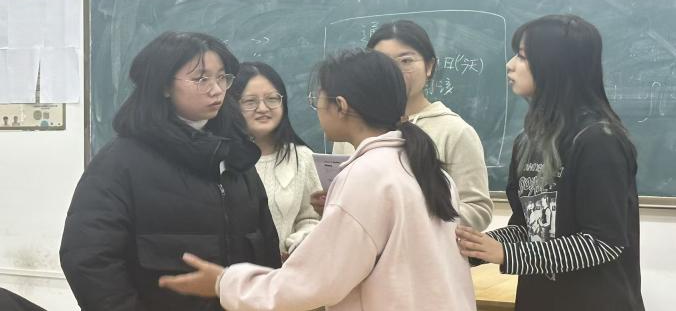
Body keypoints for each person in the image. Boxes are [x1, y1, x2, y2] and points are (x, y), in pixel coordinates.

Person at [158, 49, 477, 311]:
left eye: (318, 100)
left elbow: (313, 283)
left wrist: (224, 282)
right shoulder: (425, 167)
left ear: (341, 106)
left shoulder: (367, 175)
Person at [60, 32, 281, 311]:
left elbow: (266, 247)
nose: (216, 90)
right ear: (164, 85)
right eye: (201, 79)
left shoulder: (235, 154)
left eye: (222, 78)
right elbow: (88, 259)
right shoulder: (120, 163)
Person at [456, 15, 644, 311]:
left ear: (556, 65)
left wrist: (506, 254)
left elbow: (604, 242)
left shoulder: (598, 140)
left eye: (522, 56)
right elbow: (527, 229)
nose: (509, 65)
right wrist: (476, 248)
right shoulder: (527, 141)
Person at [324, 19, 492, 230]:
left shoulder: (455, 131)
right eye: (383, 63)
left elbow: (478, 211)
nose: (394, 70)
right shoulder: (351, 126)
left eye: (406, 61)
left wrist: (409, 216)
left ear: (429, 66)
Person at [228, 62, 322, 261]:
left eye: (272, 99)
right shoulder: (221, 159)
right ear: (232, 106)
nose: (263, 108)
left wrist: (298, 243)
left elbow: (312, 218)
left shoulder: (302, 158)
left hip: (287, 271)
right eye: (250, 101)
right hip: (234, 272)